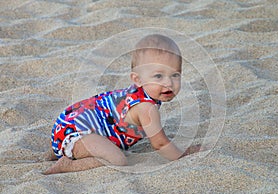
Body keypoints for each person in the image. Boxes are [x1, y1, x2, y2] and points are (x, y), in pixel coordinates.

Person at [44, 34, 202, 174]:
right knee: (117, 160)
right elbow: (160, 144)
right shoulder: (146, 108)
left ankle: (64, 149)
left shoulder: (141, 92)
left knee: (109, 148)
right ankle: (69, 165)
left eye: (175, 75)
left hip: (67, 124)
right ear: (138, 79)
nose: (168, 83)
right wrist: (182, 156)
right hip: (77, 132)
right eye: (158, 76)